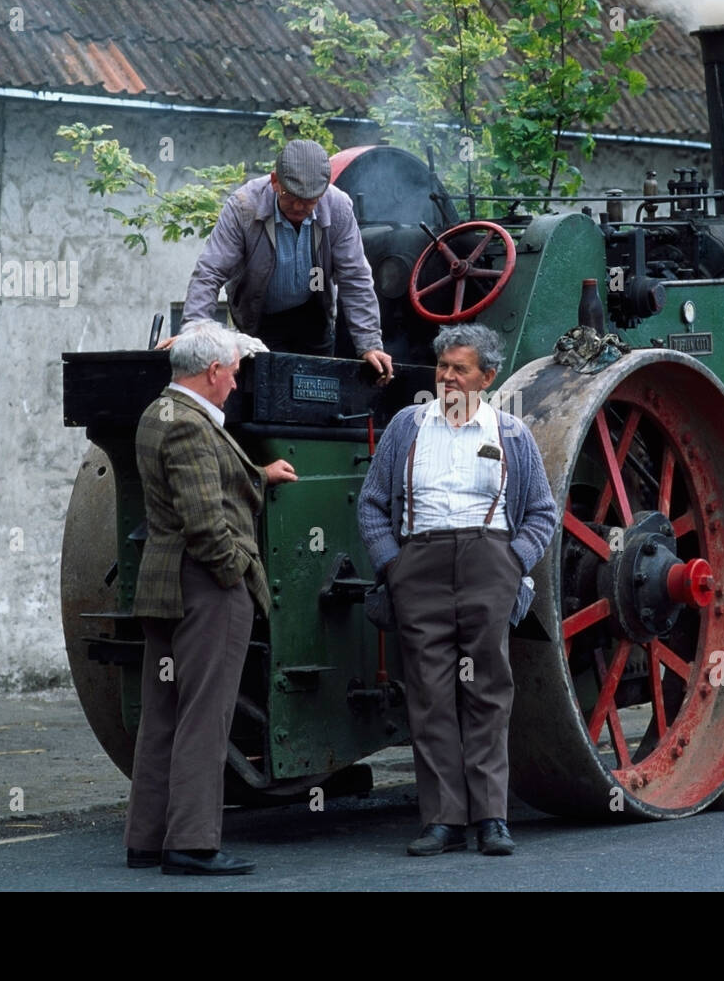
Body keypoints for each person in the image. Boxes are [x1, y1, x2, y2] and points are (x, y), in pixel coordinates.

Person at [357, 324, 558, 856]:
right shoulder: (407, 426)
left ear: (486, 377)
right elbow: (373, 503)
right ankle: (441, 821)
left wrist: (514, 563)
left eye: (460, 368)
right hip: (417, 565)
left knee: (488, 691)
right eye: (443, 366)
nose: (447, 376)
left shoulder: (512, 434)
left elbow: (542, 511)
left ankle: (492, 818)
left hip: (489, 563)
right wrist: (392, 564)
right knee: (429, 692)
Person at [126, 319, 298, 876]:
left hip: (165, 587)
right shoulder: (192, 427)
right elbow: (205, 521)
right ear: (213, 371)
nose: (237, 382)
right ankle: (193, 844)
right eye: (235, 371)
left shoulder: (162, 413)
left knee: (164, 713)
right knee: (204, 714)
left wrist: (258, 473)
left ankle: (147, 840)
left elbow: (205, 482)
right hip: (205, 587)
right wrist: (237, 573)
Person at [169, 138, 395, 384]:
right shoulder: (243, 206)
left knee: (315, 392)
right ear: (275, 181)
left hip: (314, 316)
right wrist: (194, 330)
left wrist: (370, 345)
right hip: (259, 319)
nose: (299, 206)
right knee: (261, 394)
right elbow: (209, 273)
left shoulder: (338, 207)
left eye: (310, 199)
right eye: (292, 196)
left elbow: (355, 279)